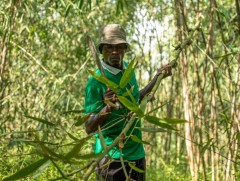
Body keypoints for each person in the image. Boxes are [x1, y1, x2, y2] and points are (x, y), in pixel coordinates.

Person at [84, 24, 172, 181]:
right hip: (110, 158)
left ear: (125, 49)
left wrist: (157, 77)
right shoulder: (94, 82)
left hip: (137, 154)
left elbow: (134, 100)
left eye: (119, 47)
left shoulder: (128, 70)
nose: (115, 52)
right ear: (102, 50)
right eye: (109, 48)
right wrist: (107, 107)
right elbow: (89, 127)